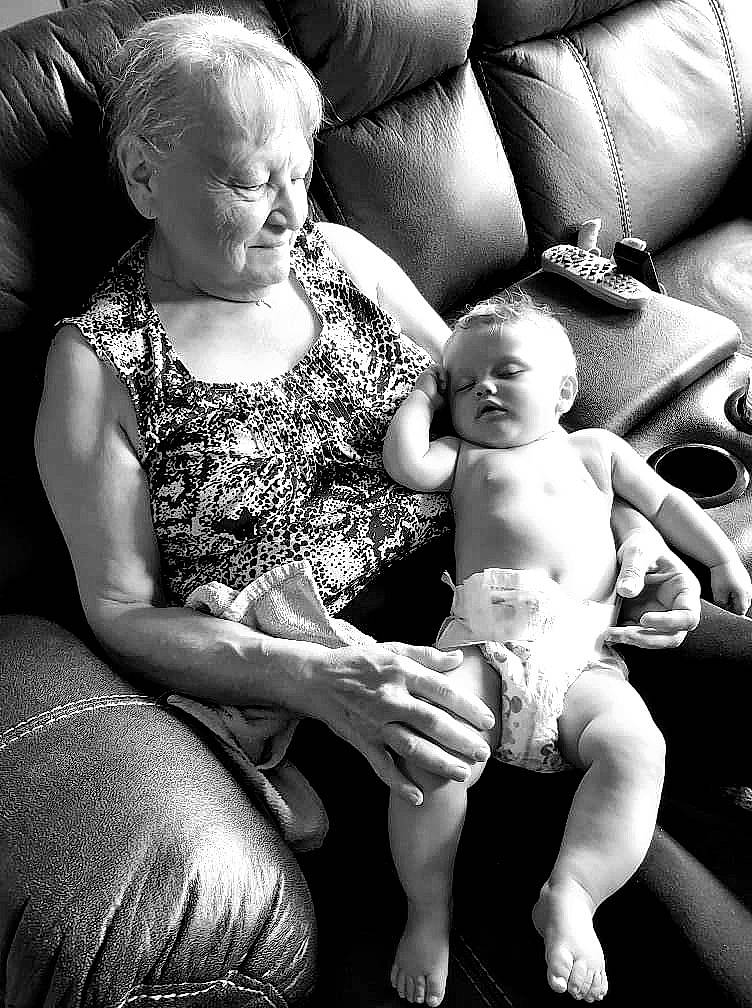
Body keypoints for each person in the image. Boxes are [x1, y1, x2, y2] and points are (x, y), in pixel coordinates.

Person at [32, 7, 711, 1003]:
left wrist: (635, 533)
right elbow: (121, 611)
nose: (289, 214)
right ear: (144, 177)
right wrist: (316, 679)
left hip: (548, 603)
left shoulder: (344, 261)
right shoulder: (101, 365)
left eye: (299, 173)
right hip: (373, 689)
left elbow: (514, 425)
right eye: (250, 183)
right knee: (659, 923)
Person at [382, 293, 752, 1005]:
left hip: (586, 655)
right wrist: (423, 396)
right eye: (465, 384)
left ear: (564, 391)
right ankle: (427, 912)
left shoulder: (597, 451)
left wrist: (719, 560)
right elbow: (407, 463)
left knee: (636, 748)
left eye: (507, 371)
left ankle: (573, 893)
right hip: (486, 642)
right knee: (429, 751)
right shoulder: (464, 456)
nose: (483, 389)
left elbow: (668, 504)